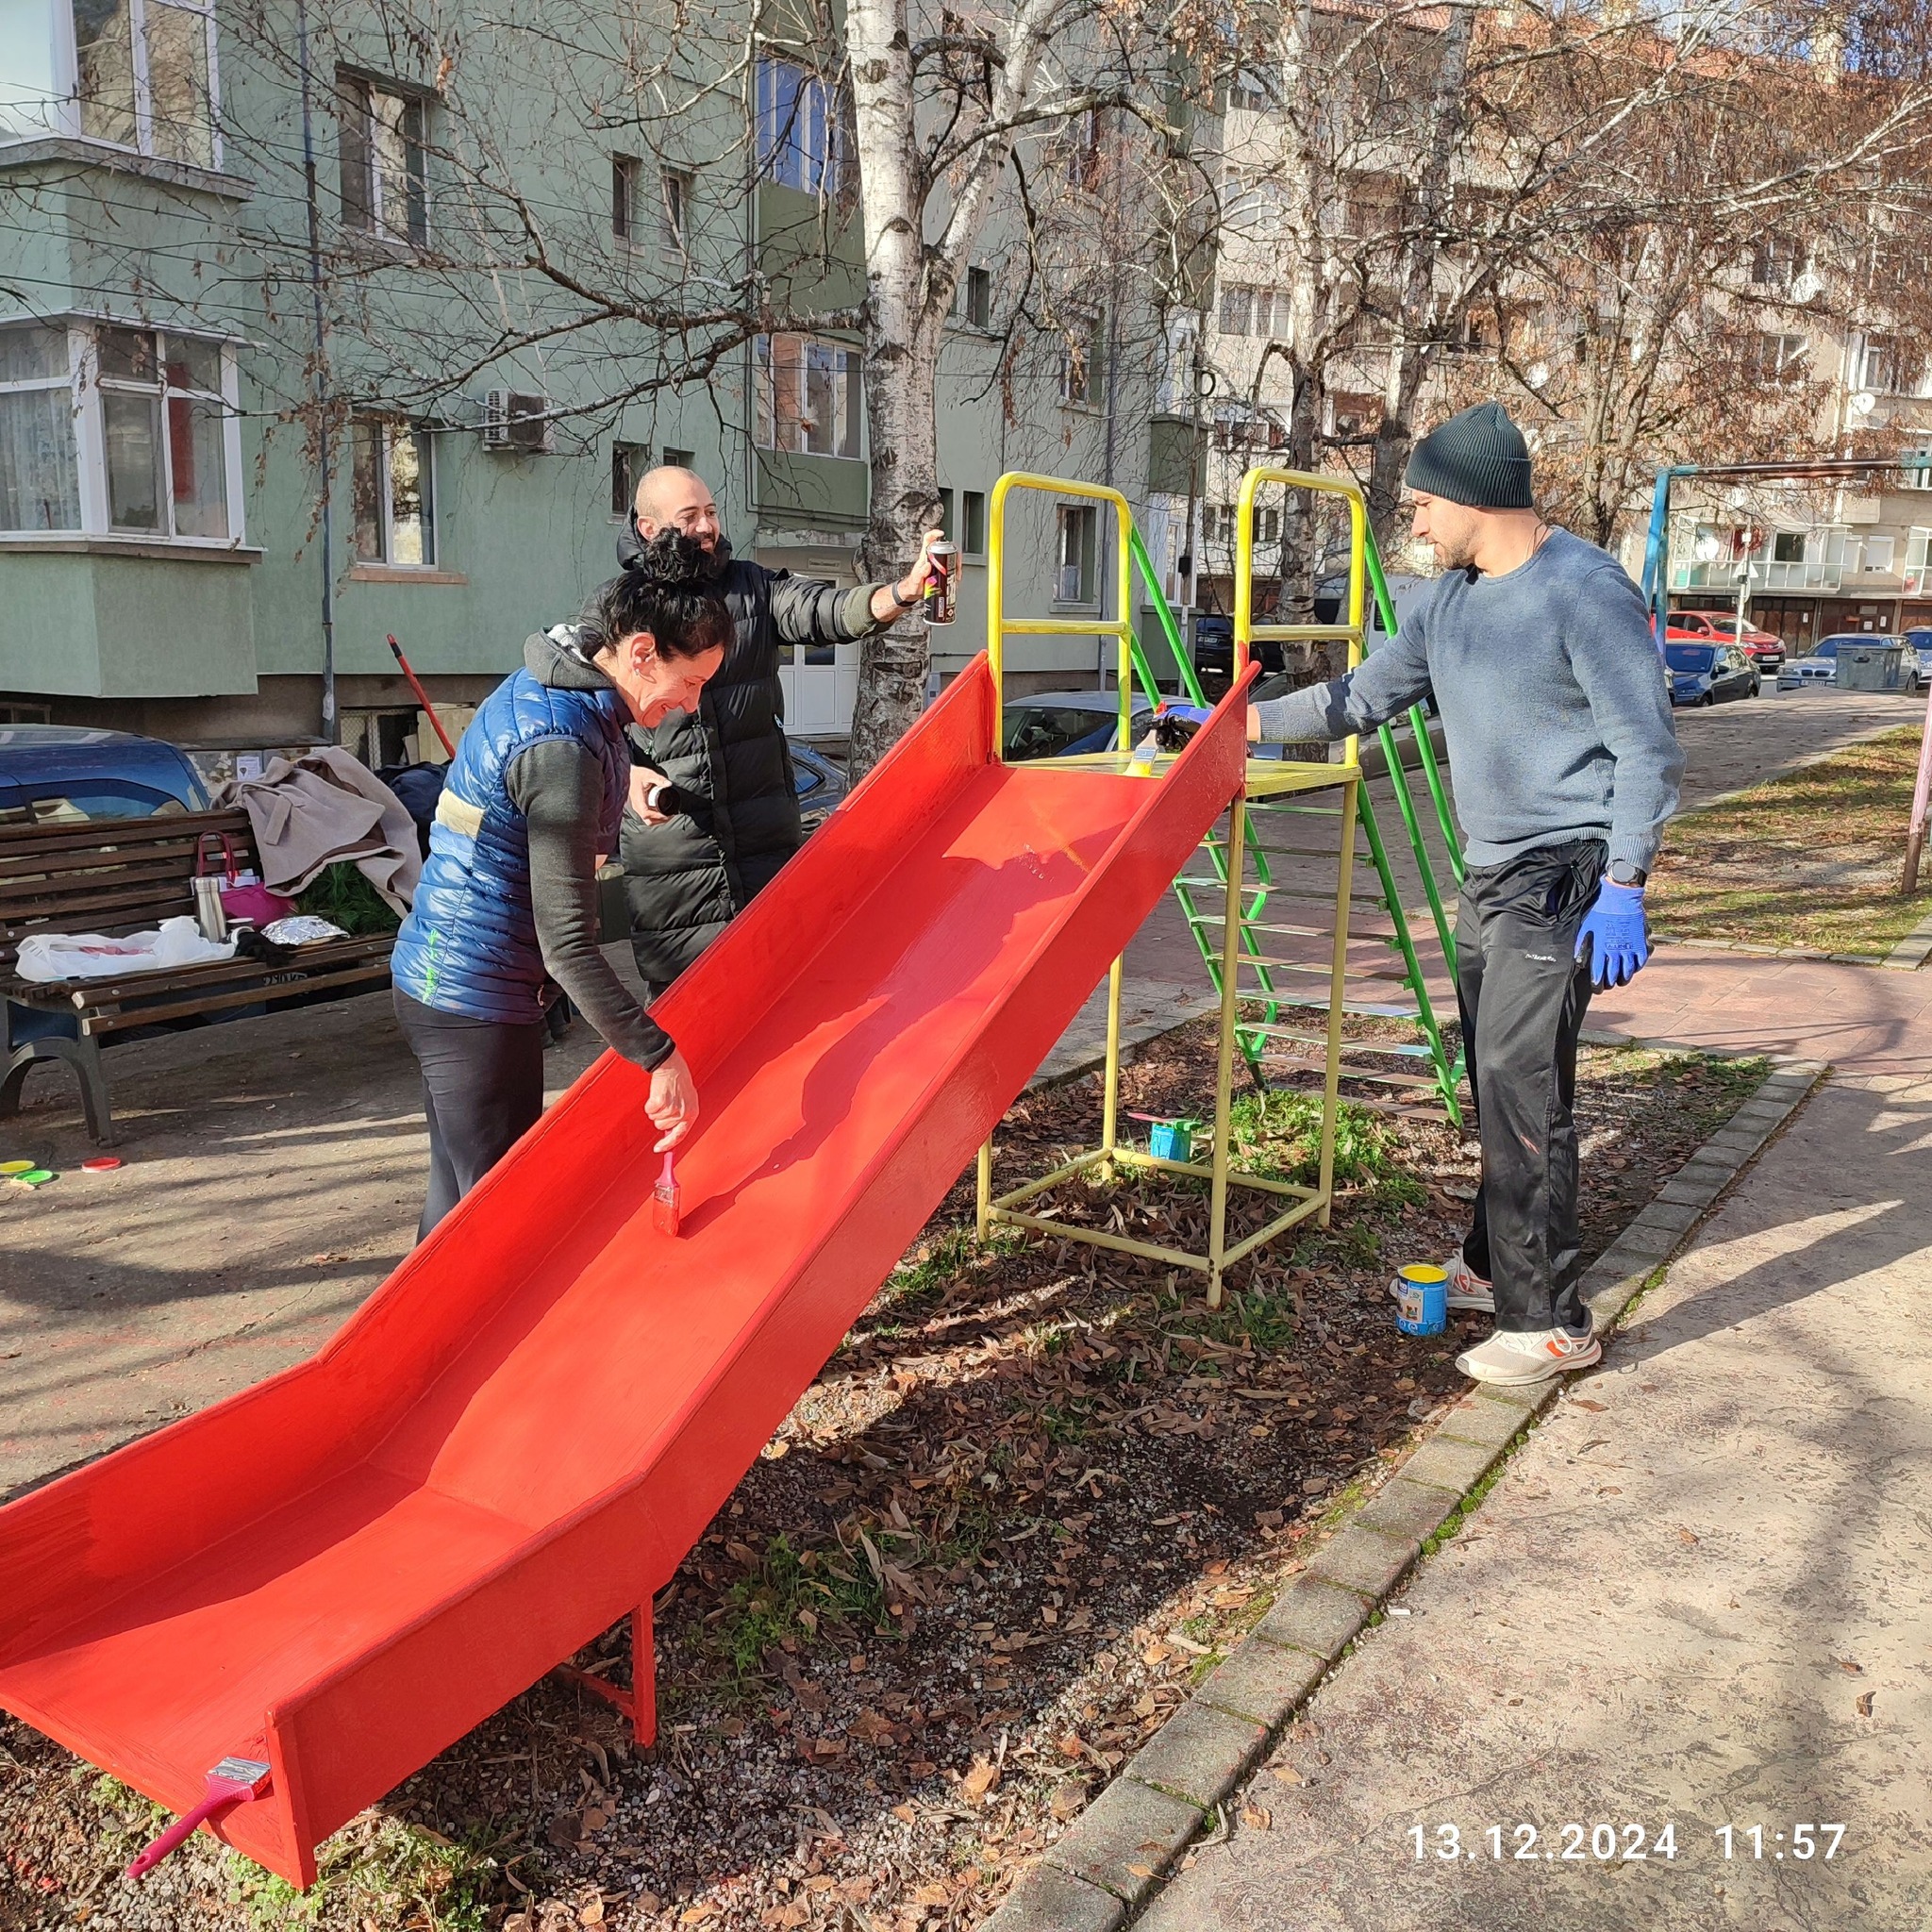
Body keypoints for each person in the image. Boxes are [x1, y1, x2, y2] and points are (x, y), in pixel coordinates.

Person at [1249, 400, 1683, 1387]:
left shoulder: (1583, 590)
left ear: (1469, 499)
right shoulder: (1446, 601)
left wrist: (1622, 882)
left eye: (1417, 506)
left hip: (1563, 870)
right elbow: (1358, 698)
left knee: (1515, 1086)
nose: (1411, 525)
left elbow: (1644, 747)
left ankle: (1548, 1322)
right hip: (1488, 873)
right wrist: (1234, 726)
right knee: (1511, 1083)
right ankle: (1495, 1268)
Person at [389, 536, 728, 1238]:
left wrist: (622, 778)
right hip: (474, 1000)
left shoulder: (561, 678)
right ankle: (466, 1349)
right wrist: (658, 1056)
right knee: (491, 1222)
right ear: (639, 653)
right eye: (688, 682)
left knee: (457, 1200)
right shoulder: (563, 750)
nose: (690, 705)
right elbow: (569, 945)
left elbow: (546, 775)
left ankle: (426, 1346)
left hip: (443, 979)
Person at [615, 465, 944, 992]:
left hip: (767, 842)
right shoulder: (618, 608)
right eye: (690, 516)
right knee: (691, 1015)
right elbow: (582, 704)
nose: (707, 526)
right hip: (673, 862)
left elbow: (828, 610)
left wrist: (903, 592)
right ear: (650, 528)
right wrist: (626, 772)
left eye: (712, 511)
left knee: (787, 998)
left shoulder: (752, 587)